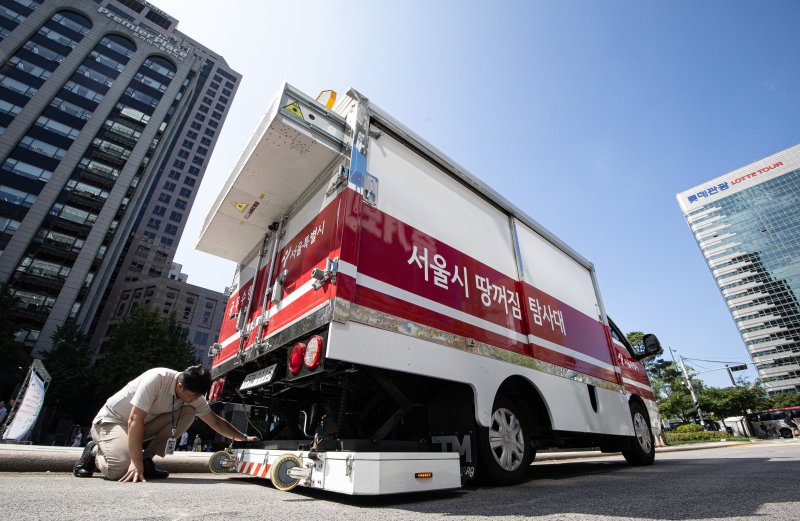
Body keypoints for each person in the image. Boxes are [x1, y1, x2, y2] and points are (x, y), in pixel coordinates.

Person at [73, 365, 258, 482]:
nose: (195, 399)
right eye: (192, 395)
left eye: (198, 396)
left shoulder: (193, 396)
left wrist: (242, 437)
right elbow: (134, 418)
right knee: (120, 470)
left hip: (140, 427)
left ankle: (147, 460)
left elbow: (216, 422)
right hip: (112, 421)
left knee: (188, 412)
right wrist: (134, 464)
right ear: (179, 386)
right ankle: (95, 452)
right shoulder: (157, 378)